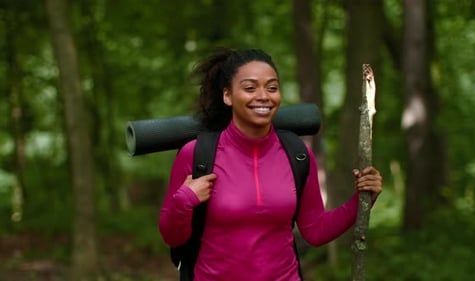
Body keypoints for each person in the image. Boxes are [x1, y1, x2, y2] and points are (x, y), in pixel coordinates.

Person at [158, 48, 383, 281]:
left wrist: (363, 200)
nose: (264, 96)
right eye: (250, 88)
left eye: (272, 88)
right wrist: (185, 199)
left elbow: (315, 230)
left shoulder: (297, 154)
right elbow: (172, 237)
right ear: (227, 96)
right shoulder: (197, 155)